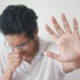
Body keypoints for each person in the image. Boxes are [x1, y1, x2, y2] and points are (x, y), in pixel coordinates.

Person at [0, 4, 80, 80]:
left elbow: (71, 64)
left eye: (22, 44)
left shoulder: (54, 51)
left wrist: (77, 58)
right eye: (11, 45)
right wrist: (9, 71)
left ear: (35, 32)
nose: (16, 50)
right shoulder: (2, 56)